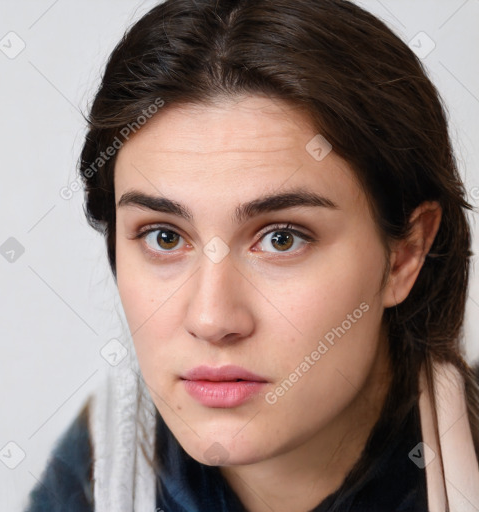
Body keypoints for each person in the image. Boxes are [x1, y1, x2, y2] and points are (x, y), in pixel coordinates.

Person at [23, 0, 479, 510]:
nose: (212, 319)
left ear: (405, 255)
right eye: (164, 237)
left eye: (282, 238)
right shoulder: (86, 476)